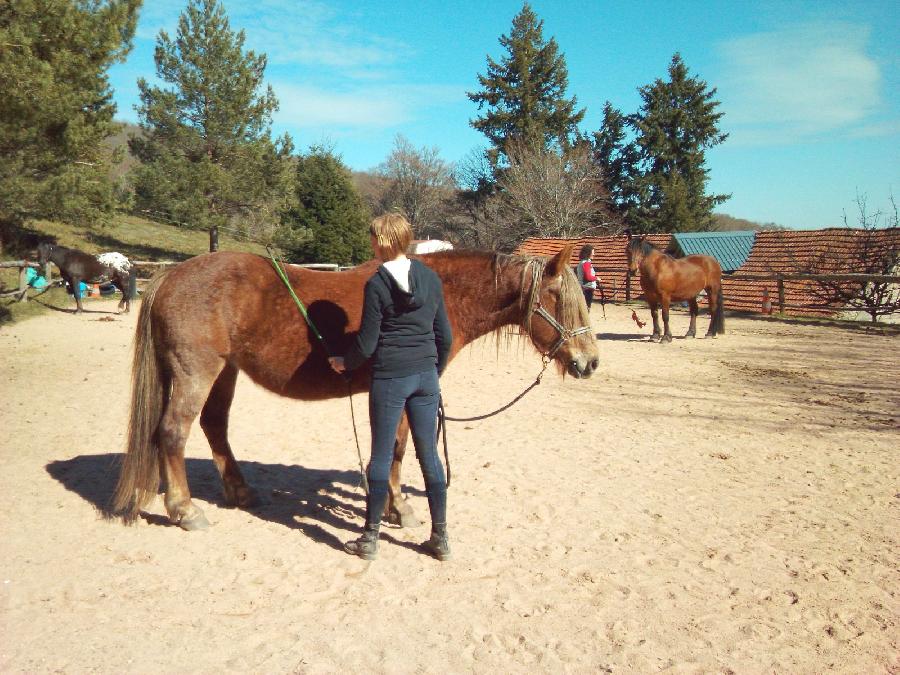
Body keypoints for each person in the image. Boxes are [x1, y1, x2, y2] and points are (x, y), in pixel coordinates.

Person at [328, 214, 453, 562]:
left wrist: (344, 363)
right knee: (429, 455)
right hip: (425, 378)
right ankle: (440, 537)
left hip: (390, 378)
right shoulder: (430, 278)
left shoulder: (377, 284)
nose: (371, 245)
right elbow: (445, 336)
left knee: (381, 456)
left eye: (373, 239)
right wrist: (433, 372)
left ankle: (370, 539)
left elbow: (366, 344)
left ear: (382, 241)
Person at [575, 244, 599, 310]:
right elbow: (588, 277)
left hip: (582, 288)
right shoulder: (586, 263)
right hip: (587, 289)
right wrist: (596, 278)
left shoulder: (581, 263)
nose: (594, 254)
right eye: (592, 253)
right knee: (586, 308)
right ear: (588, 253)